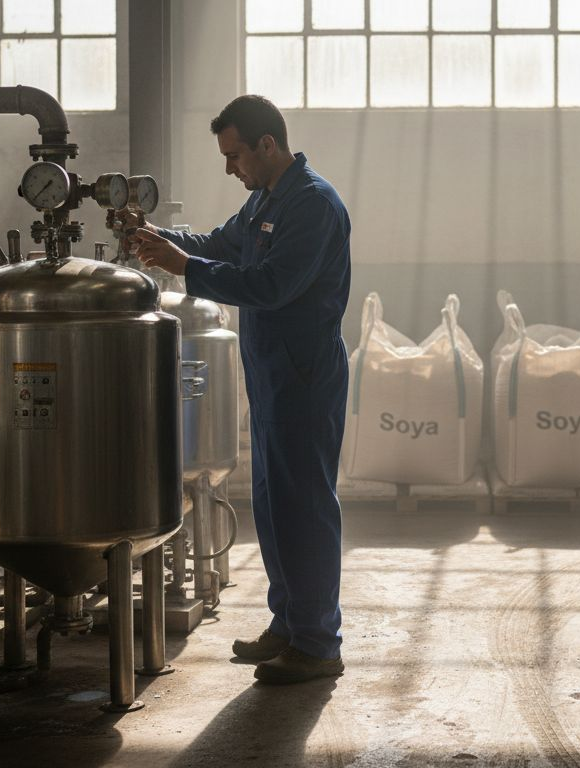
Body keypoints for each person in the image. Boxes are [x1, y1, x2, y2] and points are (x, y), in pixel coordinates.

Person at [124, 94, 350, 685]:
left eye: (235, 155)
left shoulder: (314, 205)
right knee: (274, 508)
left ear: (267, 146)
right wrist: (158, 239)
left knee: (306, 508)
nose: (231, 168)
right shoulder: (263, 202)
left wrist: (183, 266)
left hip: (304, 376)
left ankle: (320, 645)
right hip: (273, 373)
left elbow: (271, 285)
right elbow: (215, 245)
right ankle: (290, 625)